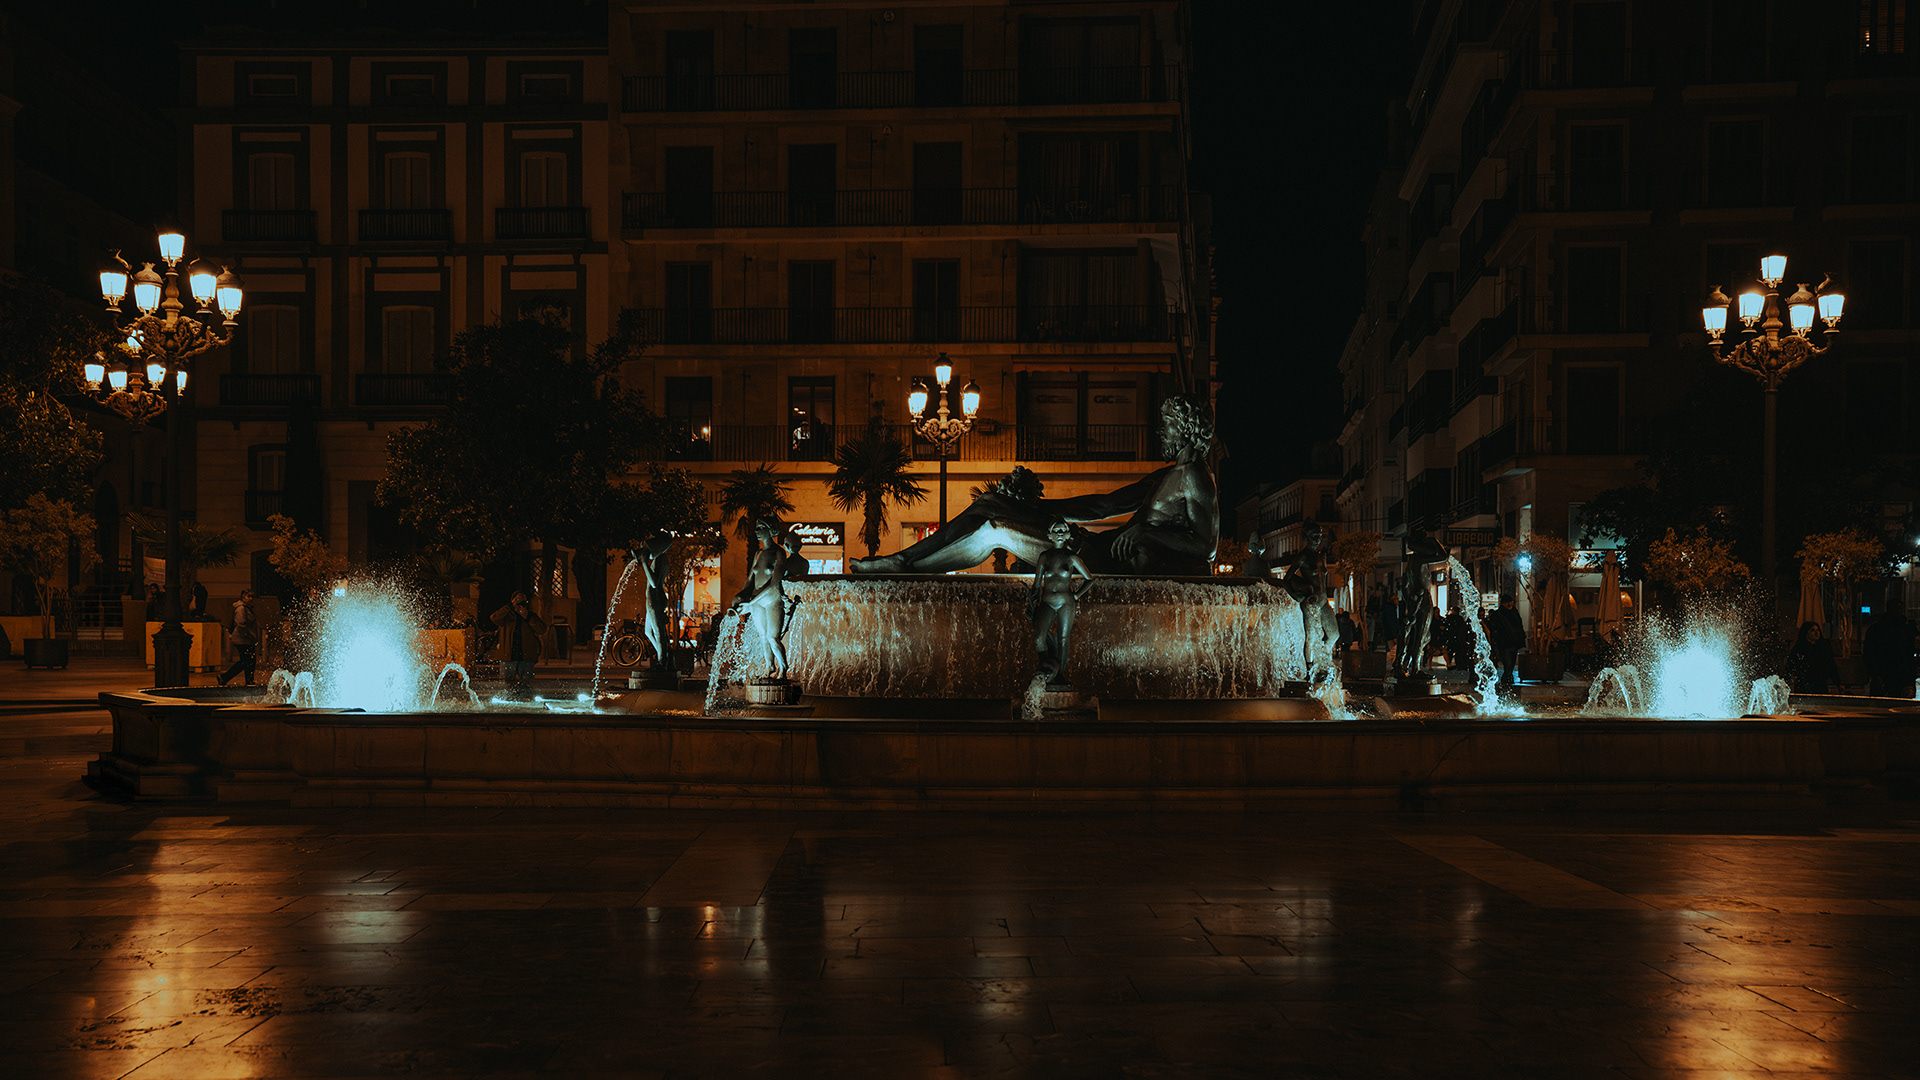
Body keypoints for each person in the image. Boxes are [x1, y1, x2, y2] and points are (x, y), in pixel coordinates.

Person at [851, 396, 1219, 576]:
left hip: (1098, 561)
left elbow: (1207, 547)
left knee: (995, 528)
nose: (1160, 431)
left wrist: (1146, 533)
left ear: (1186, 428)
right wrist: (1031, 506)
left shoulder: (1196, 477)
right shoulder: (1167, 474)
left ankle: (908, 568)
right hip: (1091, 545)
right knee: (991, 501)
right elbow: (1102, 507)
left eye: (1167, 424)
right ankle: (902, 560)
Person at [1028, 520, 1094, 687]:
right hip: (1047, 601)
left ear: (1067, 534)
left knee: (1062, 640)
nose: (1059, 533)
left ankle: (1059, 676)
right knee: (1039, 638)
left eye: (1062, 530)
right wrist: (1031, 602)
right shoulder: (1044, 557)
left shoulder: (1071, 557)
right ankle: (1046, 670)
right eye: (1056, 530)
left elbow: (1089, 579)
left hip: (1066, 602)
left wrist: (1076, 596)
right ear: (1050, 534)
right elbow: (1037, 583)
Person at [730, 518, 791, 679]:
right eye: (757, 528)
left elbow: (774, 583)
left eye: (761, 528)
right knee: (763, 637)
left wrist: (751, 601)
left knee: (773, 637)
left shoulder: (779, 552)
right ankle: (769, 666)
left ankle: (783, 668)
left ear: (770, 530)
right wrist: (741, 596)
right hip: (756, 602)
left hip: (772, 600)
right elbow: (750, 580)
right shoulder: (758, 554)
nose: (757, 531)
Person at [490, 591, 547, 692]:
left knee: (526, 686)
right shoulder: (506, 616)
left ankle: (525, 699)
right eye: (517, 600)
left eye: (522, 600)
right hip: (508, 656)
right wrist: (509, 606)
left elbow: (541, 629)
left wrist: (528, 617)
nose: (519, 603)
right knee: (506, 687)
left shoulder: (531, 616)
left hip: (526, 657)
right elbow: (494, 618)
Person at [1863, 606, 1916, 698]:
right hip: (1900, 674)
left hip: (1884, 673)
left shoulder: (1876, 629)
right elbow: (1910, 655)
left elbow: (1868, 654)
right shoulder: (1905, 630)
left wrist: (1874, 673)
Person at [217, 589, 259, 687]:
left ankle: (249, 680)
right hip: (242, 639)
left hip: (246, 639)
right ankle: (225, 677)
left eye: (252, 596)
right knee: (246, 661)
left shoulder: (247, 608)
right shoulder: (241, 609)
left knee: (249, 660)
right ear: (243, 598)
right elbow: (241, 624)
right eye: (249, 596)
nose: (251, 598)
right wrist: (249, 635)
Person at [1785, 621, 1840, 694]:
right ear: (1806, 633)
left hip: (1820, 684)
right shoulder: (1799, 649)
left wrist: (1838, 683)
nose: (1817, 633)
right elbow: (1790, 666)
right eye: (1813, 630)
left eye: (1818, 630)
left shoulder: (1823, 648)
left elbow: (1831, 665)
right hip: (1804, 685)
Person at [1488, 592, 1526, 688]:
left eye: (1511, 602)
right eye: (1507, 603)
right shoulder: (1498, 614)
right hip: (1504, 643)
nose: (1510, 604)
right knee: (1507, 663)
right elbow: (1494, 628)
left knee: (1511, 663)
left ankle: (1508, 680)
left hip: (1514, 642)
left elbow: (1518, 626)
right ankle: (1506, 681)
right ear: (1503, 604)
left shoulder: (1514, 612)